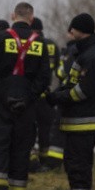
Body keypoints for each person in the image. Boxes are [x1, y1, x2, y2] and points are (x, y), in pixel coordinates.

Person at [0, 2, 51, 190]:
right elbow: (44, 77)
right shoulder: (40, 42)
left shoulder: (0, 38)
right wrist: (28, 98)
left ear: (13, 15)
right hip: (27, 106)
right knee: (21, 150)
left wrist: (5, 97)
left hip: (1, 104)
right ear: (32, 18)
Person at [47, 13, 95, 190]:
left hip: (85, 120)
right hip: (79, 118)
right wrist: (55, 94)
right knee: (74, 161)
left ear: (80, 31)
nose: (69, 32)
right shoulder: (84, 52)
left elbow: (83, 91)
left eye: (72, 28)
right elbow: (70, 82)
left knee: (78, 163)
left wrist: (59, 98)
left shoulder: (93, 56)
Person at [29, 17, 61, 172]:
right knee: (45, 130)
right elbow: (59, 72)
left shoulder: (30, 43)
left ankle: (31, 159)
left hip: (30, 96)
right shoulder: (53, 45)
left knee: (29, 128)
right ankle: (44, 161)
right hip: (46, 95)